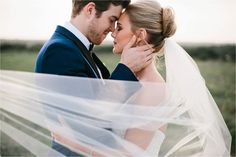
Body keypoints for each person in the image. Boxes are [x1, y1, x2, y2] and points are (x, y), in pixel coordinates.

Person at [50, 0, 231, 156]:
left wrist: (74, 143)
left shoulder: (154, 89)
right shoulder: (129, 79)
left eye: (119, 27)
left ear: (140, 36)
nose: (113, 32)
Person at [34, 1, 154, 156]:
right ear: (90, 10)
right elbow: (89, 122)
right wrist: (126, 68)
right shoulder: (60, 51)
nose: (112, 30)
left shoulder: (77, 49)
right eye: (111, 20)